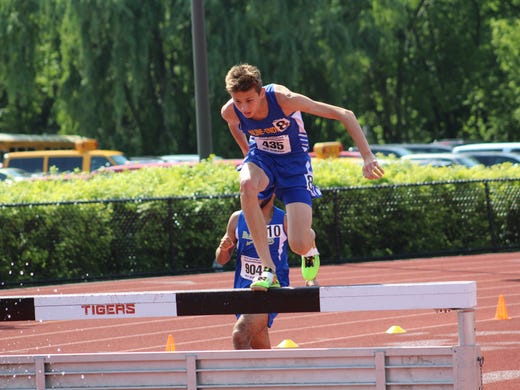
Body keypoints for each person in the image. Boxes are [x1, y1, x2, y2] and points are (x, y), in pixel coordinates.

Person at [221, 63, 385, 291]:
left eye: (249, 100)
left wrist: (367, 156)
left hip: (294, 166)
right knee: (247, 184)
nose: (245, 108)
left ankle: (309, 243)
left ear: (261, 92)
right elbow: (233, 124)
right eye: (238, 102)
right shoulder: (231, 110)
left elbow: (344, 114)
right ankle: (268, 270)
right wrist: (247, 154)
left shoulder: (284, 99)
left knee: (297, 243)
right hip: (263, 159)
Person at [215, 191, 316, 349]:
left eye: (260, 192)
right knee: (260, 348)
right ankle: (275, 372)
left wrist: (311, 277)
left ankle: (247, 374)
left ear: (273, 192)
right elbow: (221, 260)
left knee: (240, 335)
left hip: (270, 290)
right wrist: (223, 249)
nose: (254, 195)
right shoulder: (237, 218)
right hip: (243, 289)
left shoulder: (284, 220)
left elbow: (308, 247)